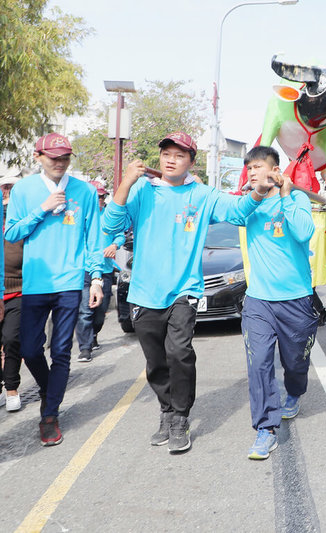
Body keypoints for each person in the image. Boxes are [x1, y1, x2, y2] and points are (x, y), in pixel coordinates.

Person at [102, 132, 272, 454]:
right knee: (155, 361)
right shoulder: (142, 190)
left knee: (179, 352)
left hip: (184, 290)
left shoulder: (203, 194)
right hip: (144, 293)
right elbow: (110, 225)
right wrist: (125, 182)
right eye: (166, 153)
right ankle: (166, 409)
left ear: (191, 162)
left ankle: (180, 416)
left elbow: (237, 211)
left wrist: (258, 193)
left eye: (179, 155)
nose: (170, 159)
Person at [5, 133, 105, 446]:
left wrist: (97, 278)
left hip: (70, 282)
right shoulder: (23, 190)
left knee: (61, 351)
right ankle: (50, 388)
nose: (59, 163)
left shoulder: (85, 191)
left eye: (64, 158)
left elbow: (93, 237)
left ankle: (50, 415)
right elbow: (11, 233)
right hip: (35, 282)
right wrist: (42, 209)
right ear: (38, 157)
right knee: (30, 349)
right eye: (53, 158)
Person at [228, 146, 318, 460]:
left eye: (258, 167)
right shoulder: (248, 203)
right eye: (248, 168)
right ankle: (265, 429)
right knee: (259, 363)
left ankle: (294, 391)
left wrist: (286, 194)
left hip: (296, 301)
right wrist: (255, 195)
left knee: (295, 364)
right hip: (259, 302)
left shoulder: (297, 199)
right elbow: (235, 215)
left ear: (275, 169)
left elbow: (304, 232)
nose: (252, 173)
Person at [76, 181, 124, 362]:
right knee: (85, 310)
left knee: (100, 311)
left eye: (101, 197)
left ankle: (93, 334)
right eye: (95, 197)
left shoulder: (109, 217)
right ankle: (85, 348)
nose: (98, 200)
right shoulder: (79, 216)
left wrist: (114, 244)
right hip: (84, 270)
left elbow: (119, 233)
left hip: (105, 270)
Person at [0, 170, 20, 413]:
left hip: (18, 288)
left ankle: (12, 387)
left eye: (11, 188)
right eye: (4, 187)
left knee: (12, 339)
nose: (7, 192)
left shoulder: (23, 218)